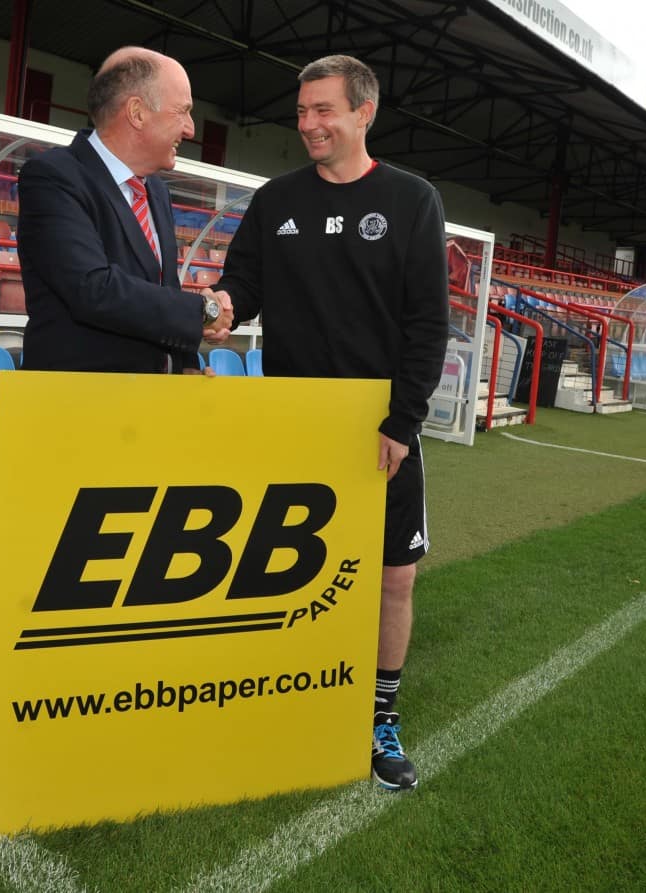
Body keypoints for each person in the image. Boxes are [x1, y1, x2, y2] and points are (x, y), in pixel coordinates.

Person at [210, 54, 449, 791]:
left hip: (381, 429)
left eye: (324, 110)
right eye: (303, 111)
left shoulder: (412, 201)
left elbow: (427, 325)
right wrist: (220, 308)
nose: (309, 123)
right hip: (293, 427)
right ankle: (286, 701)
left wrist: (402, 422)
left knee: (392, 579)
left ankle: (380, 718)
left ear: (363, 112)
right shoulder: (276, 199)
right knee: (281, 573)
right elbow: (242, 284)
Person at [17, 46, 232, 373]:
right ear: (137, 112)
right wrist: (202, 311)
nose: (190, 129)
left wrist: (183, 364)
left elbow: (163, 289)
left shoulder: (156, 190)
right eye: (183, 111)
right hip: (76, 402)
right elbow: (92, 288)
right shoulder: (53, 176)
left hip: (146, 402)